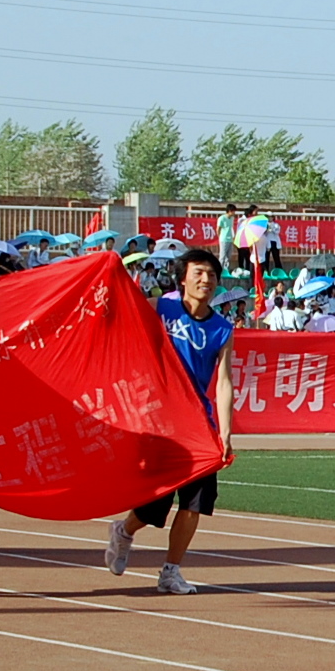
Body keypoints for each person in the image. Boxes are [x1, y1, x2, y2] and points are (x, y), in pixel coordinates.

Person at [105, 248, 234, 594]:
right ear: (183, 279)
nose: (206, 280)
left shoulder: (222, 328)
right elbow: (121, 310)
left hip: (199, 426)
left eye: (211, 275)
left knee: (196, 503)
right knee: (154, 504)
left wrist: (224, 433)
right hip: (160, 423)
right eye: (198, 273)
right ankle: (124, 531)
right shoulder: (162, 308)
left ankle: (170, 571)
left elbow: (224, 382)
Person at [216, 204, 237, 271]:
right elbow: (218, 229)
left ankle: (226, 269)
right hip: (224, 239)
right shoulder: (222, 218)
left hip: (230, 239)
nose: (234, 213)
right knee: (222, 256)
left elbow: (231, 228)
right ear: (230, 211)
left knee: (229, 256)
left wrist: (233, 237)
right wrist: (220, 237)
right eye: (233, 211)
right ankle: (219, 269)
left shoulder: (232, 218)